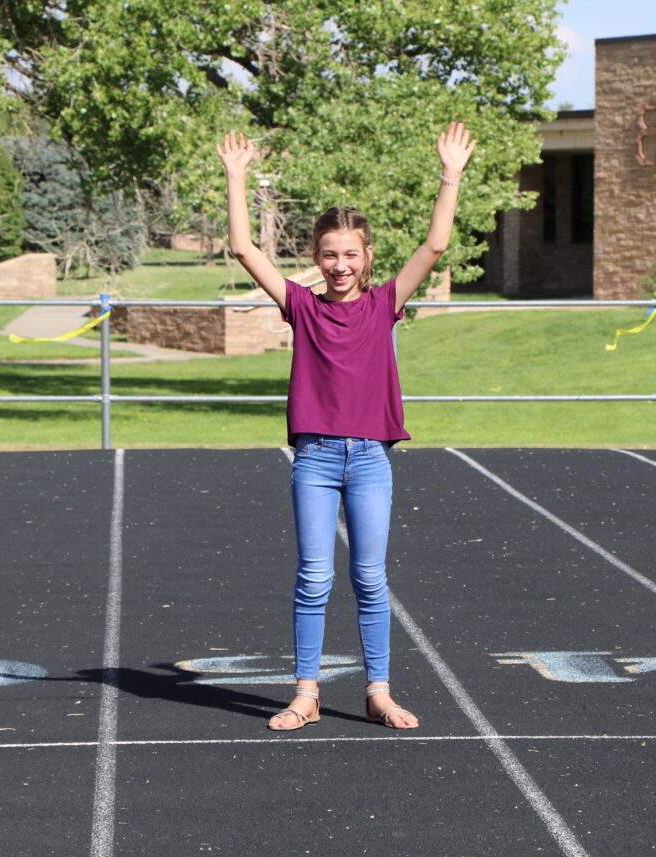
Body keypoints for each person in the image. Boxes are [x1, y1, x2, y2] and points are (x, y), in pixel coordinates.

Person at [217, 121, 476, 731]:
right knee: (314, 576)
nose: (339, 264)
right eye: (329, 254)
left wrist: (450, 175)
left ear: (367, 259)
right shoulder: (300, 306)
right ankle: (305, 693)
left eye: (350, 255)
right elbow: (244, 250)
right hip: (315, 458)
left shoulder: (385, 303)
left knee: (369, 577)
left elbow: (435, 245)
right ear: (316, 258)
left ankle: (377, 691)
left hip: (369, 461)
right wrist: (236, 177)